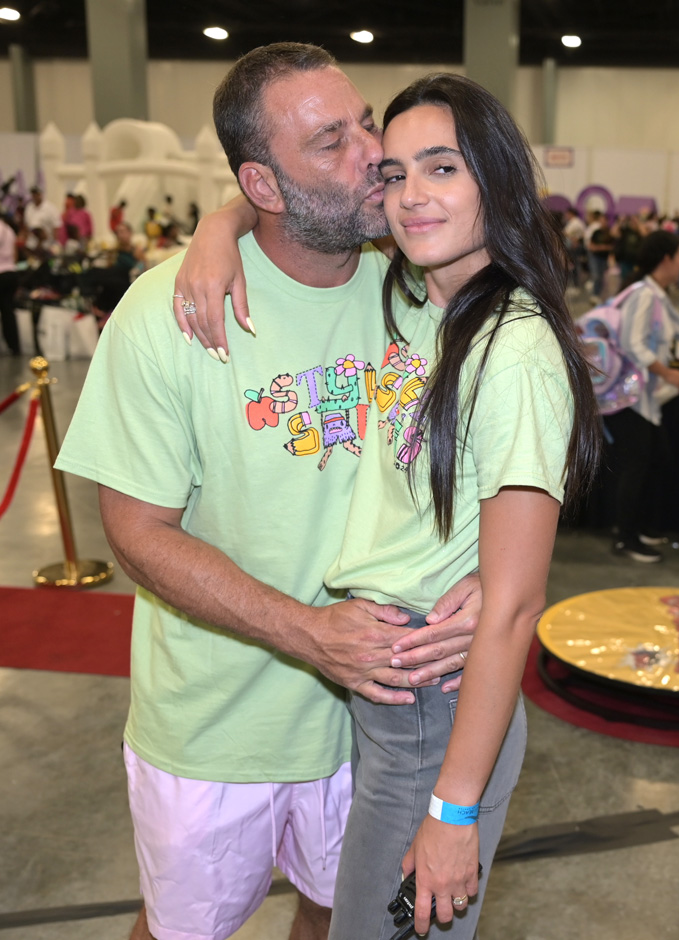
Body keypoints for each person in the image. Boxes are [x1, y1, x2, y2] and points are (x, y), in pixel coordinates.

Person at [55, 43, 482, 940]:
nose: (372, 151)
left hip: (376, 722)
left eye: (364, 121)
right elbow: (133, 530)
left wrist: (490, 578)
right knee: (181, 929)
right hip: (216, 731)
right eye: (331, 142)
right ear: (264, 184)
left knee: (337, 914)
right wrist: (307, 631)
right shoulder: (167, 313)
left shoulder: (420, 289)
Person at [175, 72, 601, 940]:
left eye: (443, 168)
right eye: (397, 174)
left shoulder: (511, 348)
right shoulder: (415, 299)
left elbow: (516, 603)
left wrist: (453, 814)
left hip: (438, 705)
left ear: (496, 178)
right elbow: (281, 208)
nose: (412, 198)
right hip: (397, 700)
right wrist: (216, 230)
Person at [604, 230, 679, 562]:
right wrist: (666, 372)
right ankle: (625, 539)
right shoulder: (644, 294)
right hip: (629, 397)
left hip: (644, 399)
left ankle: (638, 528)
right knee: (638, 466)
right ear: (667, 260)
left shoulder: (656, 294)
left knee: (656, 461)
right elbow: (633, 344)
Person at [0, 212, 20, 356]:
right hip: (11, 272)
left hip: (1, 272)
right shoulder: (10, 230)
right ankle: (14, 346)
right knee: (8, 311)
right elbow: (15, 254)